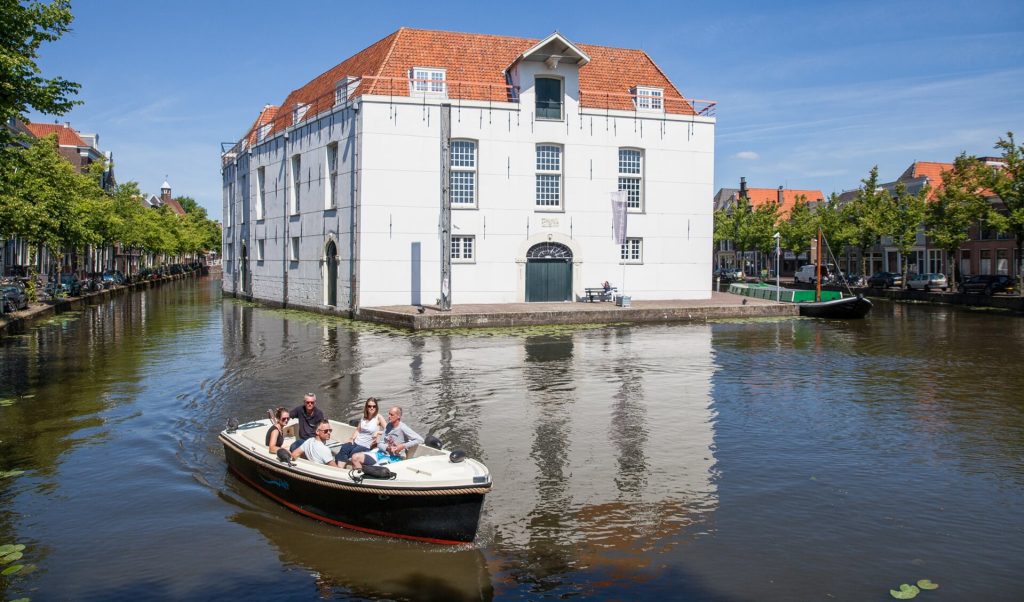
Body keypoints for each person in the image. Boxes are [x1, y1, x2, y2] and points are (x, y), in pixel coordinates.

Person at [351, 406, 423, 470]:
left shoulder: (403, 428)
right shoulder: (388, 426)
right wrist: (387, 448)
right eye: (389, 414)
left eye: (391, 415)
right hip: (381, 454)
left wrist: (403, 446)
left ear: (398, 416)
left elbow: (420, 439)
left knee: (374, 469)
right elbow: (380, 443)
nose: (389, 416)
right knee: (355, 457)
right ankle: (360, 479)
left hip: (395, 458)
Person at [336, 397, 386, 465]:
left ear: (376, 407)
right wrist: (352, 438)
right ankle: (340, 470)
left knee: (352, 453)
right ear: (366, 407)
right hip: (356, 442)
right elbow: (358, 430)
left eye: (374, 406)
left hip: (366, 446)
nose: (372, 408)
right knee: (344, 448)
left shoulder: (378, 417)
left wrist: (378, 432)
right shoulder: (364, 417)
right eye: (369, 406)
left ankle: (339, 463)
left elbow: (388, 431)